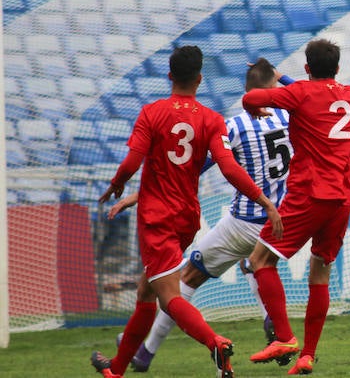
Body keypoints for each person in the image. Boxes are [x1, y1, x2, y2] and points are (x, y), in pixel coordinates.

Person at [90, 46, 283, 378]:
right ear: (200, 79)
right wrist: (264, 200)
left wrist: (118, 184)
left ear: (169, 76)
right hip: (186, 218)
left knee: (168, 296)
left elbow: (132, 162)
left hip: (157, 218)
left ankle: (215, 343)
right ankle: (118, 368)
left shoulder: (152, 112)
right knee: (147, 291)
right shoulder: (211, 119)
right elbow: (229, 168)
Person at [242, 39, 350, 376]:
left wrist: (281, 87)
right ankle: (307, 355)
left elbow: (251, 97)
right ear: (337, 67)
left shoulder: (301, 93)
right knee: (320, 271)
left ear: (307, 68)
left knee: (260, 261)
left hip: (309, 194)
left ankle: (285, 337)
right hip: (342, 198)